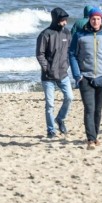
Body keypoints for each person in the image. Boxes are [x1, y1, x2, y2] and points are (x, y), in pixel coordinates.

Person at [69, 7, 102, 150]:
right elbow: (72, 55)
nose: (95, 21)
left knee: (98, 110)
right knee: (89, 109)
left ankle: (95, 135)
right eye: (93, 19)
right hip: (85, 78)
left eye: (98, 19)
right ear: (89, 20)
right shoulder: (79, 35)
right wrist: (78, 75)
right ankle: (90, 139)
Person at [36, 7, 74, 138]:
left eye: (66, 20)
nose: (65, 23)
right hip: (48, 76)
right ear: (56, 20)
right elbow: (40, 54)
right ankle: (51, 130)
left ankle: (60, 118)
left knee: (70, 97)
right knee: (50, 105)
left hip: (63, 73)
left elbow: (70, 51)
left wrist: (67, 64)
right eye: (62, 20)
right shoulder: (45, 34)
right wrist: (46, 68)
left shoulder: (67, 33)